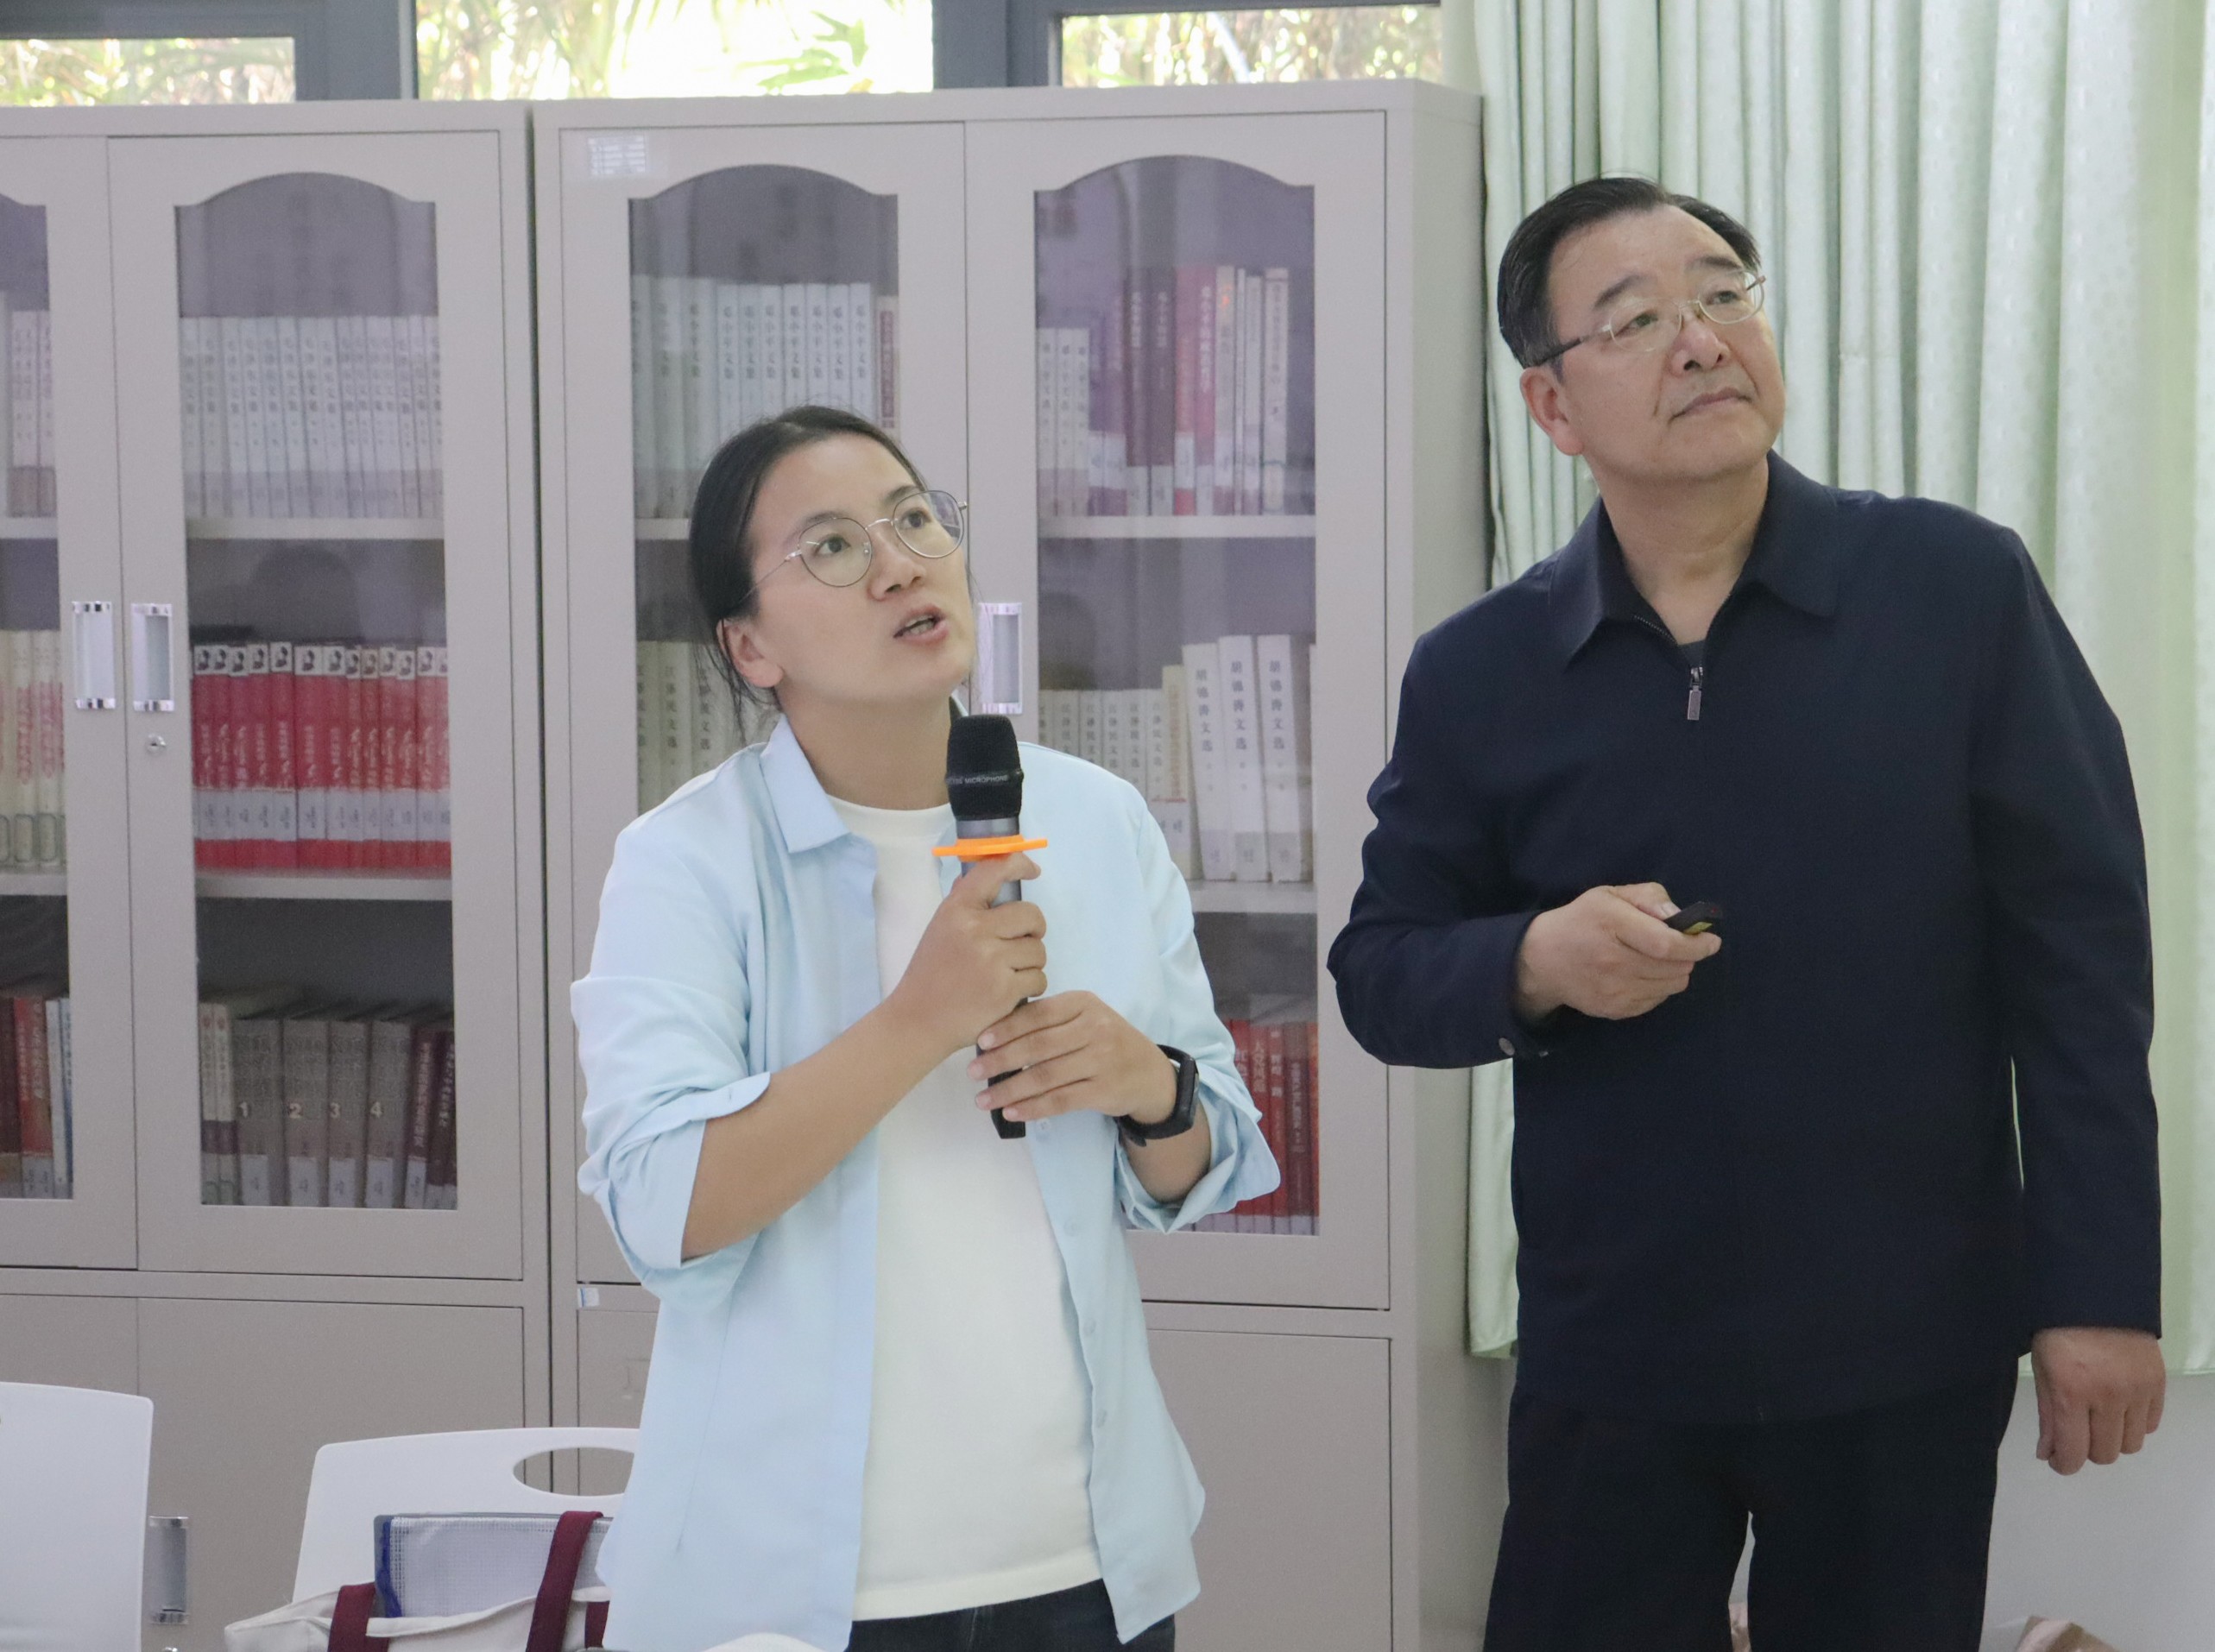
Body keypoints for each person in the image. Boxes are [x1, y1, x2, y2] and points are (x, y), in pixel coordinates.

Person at [1328, 177, 2165, 1650]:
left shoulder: (1952, 589)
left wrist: (2097, 1289)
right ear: (1550, 405)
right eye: (1635, 318)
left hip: (1901, 1336)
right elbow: (1379, 970)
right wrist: (1531, 957)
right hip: (1613, 1341)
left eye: (1723, 293)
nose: (1702, 337)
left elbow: (2080, 964)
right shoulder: (1481, 669)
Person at [574, 406, 1278, 1652]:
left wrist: (1150, 1085)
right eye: (834, 547)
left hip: (1087, 1563)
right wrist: (915, 1022)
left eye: (913, 519)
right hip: (798, 1595)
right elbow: (662, 1206)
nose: (900, 563)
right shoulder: (686, 860)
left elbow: (1199, 1162)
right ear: (749, 645)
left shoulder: (1095, 818)